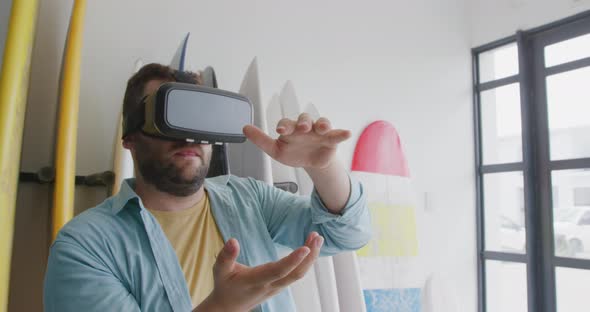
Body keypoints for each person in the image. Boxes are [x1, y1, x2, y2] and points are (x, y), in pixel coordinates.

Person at [43, 63, 371, 312]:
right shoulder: (85, 247)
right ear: (130, 135)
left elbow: (349, 235)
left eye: (200, 119)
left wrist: (323, 168)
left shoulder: (248, 198)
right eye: (168, 116)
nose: (189, 136)